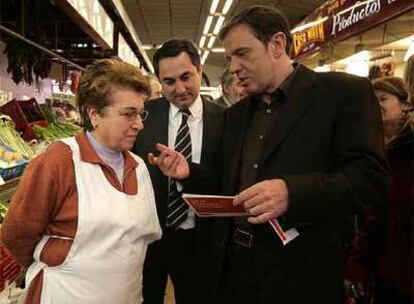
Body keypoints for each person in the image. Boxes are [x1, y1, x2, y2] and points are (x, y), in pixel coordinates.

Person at [148, 5, 390, 304]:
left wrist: (292, 192)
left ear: (277, 44)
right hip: (233, 270)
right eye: (229, 58)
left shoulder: (342, 94)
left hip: (298, 273)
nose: (233, 67)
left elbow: (371, 179)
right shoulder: (235, 115)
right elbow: (226, 183)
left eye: (242, 53)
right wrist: (190, 173)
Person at [0, 59, 162, 304]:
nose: (139, 124)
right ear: (94, 114)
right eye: (129, 114)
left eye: (141, 113)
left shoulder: (138, 167)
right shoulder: (58, 162)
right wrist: (64, 266)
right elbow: (16, 234)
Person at [132, 39, 224, 304]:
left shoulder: (225, 119)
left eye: (186, 77)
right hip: (149, 235)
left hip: (199, 237)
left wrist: (189, 174)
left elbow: (226, 179)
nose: (180, 89)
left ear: (199, 69)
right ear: (160, 82)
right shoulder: (144, 117)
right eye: (169, 82)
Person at [345, 77, 413, 304]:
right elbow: (381, 213)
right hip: (393, 269)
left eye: (383, 98)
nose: (377, 105)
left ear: (405, 102)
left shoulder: (401, 150)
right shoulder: (374, 145)